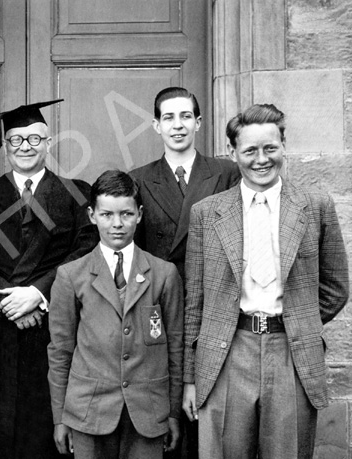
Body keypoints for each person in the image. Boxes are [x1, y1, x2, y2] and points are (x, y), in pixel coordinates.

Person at [182, 104, 349, 458]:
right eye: (250, 151)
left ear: (284, 146)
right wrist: (189, 378)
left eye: (270, 148)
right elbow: (194, 304)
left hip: (289, 351)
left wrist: (298, 319)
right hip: (227, 351)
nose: (261, 160)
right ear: (233, 152)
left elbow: (336, 287)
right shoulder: (207, 214)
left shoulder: (314, 205)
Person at [0, 99, 97, 458]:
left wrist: (37, 292)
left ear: (49, 142)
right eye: (16, 140)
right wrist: (9, 300)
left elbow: (84, 251)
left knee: (46, 430)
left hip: (52, 329)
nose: (25, 148)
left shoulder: (76, 194)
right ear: (5, 147)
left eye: (35, 139)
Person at [48, 170, 183, 458]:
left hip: (148, 412)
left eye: (126, 214)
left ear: (140, 214)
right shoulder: (72, 275)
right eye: (107, 215)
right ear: (92, 215)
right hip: (89, 412)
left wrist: (172, 412)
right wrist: (61, 417)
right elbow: (60, 351)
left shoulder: (163, 274)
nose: (117, 224)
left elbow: (175, 348)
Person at [129, 87, 240, 282]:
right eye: (169, 118)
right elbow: (134, 251)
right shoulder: (139, 179)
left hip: (213, 289)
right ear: (157, 125)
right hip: (161, 290)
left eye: (186, 116)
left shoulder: (227, 173)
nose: (178, 125)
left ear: (197, 123)